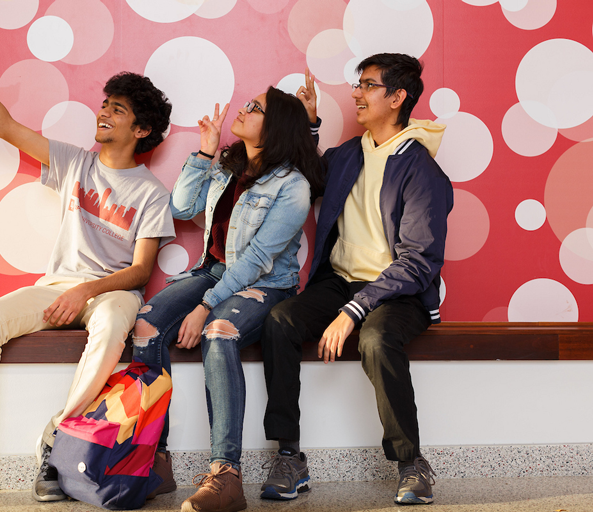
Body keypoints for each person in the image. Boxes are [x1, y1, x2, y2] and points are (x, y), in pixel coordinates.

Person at [0, 34, 175, 507]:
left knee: (112, 326)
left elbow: (141, 271)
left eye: (117, 110)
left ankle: (57, 445)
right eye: (105, 104)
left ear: (141, 130)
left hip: (111, 292)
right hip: (57, 285)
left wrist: (86, 293)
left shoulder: (151, 193)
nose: (104, 112)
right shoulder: (74, 163)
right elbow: (5, 127)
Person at [259, 54, 453, 505]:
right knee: (280, 320)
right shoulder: (349, 153)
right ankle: (289, 456)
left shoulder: (423, 170)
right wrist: (309, 125)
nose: (355, 93)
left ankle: (411, 464)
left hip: (397, 292)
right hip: (339, 281)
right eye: (356, 84)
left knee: (376, 338)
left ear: (398, 97)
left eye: (367, 85)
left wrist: (355, 310)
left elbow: (419, 262)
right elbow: (311, 179)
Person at [131, 87, 322, 512]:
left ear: (276, 127)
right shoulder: (229, 166)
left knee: (220, 330)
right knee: (146, 323)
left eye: (256, 108)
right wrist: (204, 152)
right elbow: (181, 208)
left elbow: (256, 259)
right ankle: (155, 461)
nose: (245, 108)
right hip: (213, 270)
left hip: (267, 283)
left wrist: (204, 307)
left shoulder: (292, 186)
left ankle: (226, 475)